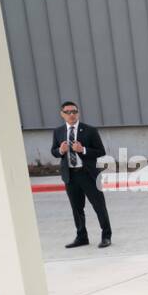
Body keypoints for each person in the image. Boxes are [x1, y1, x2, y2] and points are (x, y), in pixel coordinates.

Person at [52, 100, 111, 249]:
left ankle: (106, 236)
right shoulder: (58, 132)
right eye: (68, 112)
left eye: (74, 112)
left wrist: (83, 150)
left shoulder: (90, 130)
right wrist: (60, 151)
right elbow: (54, 151)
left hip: (88, 174)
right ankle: (82, 237)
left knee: (99, 206)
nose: (72, 115)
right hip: (70, 176)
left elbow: (101, 151)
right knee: (77, 208)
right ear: (62, 114)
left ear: (78, 113)